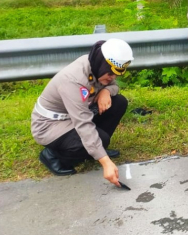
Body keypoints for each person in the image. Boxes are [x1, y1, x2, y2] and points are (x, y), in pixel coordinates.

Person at [31, 39, 133, 186]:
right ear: (101, 64)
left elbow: (114, 86)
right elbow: (83, 123)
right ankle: (53, 156)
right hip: (50, 125)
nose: (113, 77)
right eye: (110, 72)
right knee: (100, 139)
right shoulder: (73, 80)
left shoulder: (97, 66)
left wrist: (105, 91)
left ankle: (96, 149)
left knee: (118, 102)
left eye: (116, 74)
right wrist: (105, 162)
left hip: (74, 114)